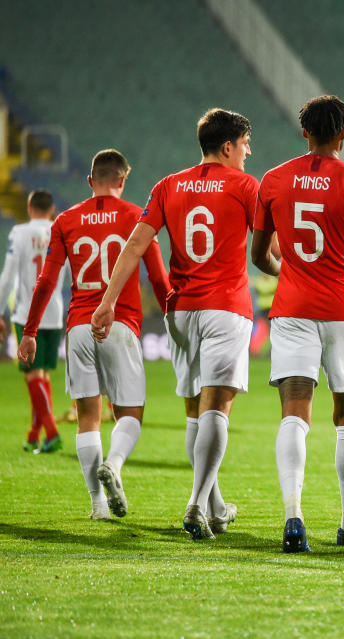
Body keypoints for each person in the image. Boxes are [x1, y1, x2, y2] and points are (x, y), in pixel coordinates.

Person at [92, 108, 258, 540]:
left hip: (181, 311)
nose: (248, 152)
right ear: (227, 146)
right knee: (217, 407)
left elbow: (135, 244)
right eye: (245, 145)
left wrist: (108, 301)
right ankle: (196, 505)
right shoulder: (245, 186)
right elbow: (267, 248)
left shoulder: (168, 185)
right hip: (226, 306)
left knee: (194, 413)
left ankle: (217, 508)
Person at [250, 95, 344, 553]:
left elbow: (258, 254)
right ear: (343, 137)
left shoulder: (272, 180)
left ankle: (293, 517)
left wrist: (285, 272)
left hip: (291, 309)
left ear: (304, 133)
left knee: (295, 413)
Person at [17, 150, 170, 519]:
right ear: (122, 180)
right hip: (120, 323)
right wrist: (173, 321)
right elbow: (159, 279)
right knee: (129, 412)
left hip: (80, 327)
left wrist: (30, 331)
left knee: (88, 415)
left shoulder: (66, 220)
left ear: (90, 181)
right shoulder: (137, 216)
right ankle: (114, 465)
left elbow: (47, 281)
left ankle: (97, 504)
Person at [0, 190, 66, 452]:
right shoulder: (61, 229)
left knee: (32, 375)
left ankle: (51, 432)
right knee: (43, 375)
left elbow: (7, 275)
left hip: (28, 313)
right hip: (55, 312)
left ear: (29, 208)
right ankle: (34, 435)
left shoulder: (20, 234)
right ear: (51, 210)